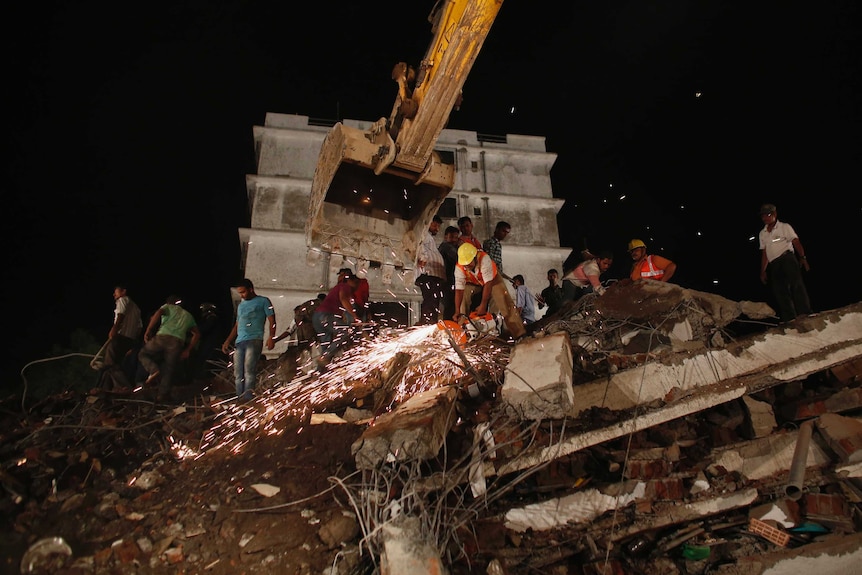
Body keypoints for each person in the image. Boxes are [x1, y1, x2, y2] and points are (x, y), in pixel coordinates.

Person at [453, 243, 525, 339]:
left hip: (492, 280)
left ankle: (519, 334)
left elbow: (488, 284)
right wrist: (457, 311)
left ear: (475, 257)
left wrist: (483, 305)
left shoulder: (484, 259)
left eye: (469, 263)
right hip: (473, 282)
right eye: (465, 264)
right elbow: (459, 290)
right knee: (464, 296)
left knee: (504, 300)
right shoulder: (459, 267)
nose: (467, 266)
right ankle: (463, 331)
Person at [221, 279, 276, 401]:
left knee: (249, 369)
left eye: (243, 292)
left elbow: (272, 320)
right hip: (240, 341)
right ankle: (239, 397)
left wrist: (271, 336)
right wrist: (228, 341)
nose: (242, 295)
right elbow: (237, 325)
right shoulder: (241, 305)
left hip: (255, 339)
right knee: (238, 372)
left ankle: (248, 398)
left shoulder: (263, 301)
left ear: (251, 289)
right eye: (240, 293)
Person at [139, 295, 201, 402]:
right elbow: (197, 334)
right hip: (177, 342)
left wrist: (149, 329)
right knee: (169, 368)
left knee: (143, 353)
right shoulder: (188, 316)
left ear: (169, 302)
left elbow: (158, 313)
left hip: (163, 336)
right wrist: (188, 350)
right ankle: (162, 396)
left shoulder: (168, 307)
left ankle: (153, 370)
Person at [758, 203, 812, 323]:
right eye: (763, 216)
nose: (765, 218)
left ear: (774, 214)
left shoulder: (784, 227)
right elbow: (764, 253)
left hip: (787, 258)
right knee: (780, 291)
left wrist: (803, 257)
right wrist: (763, 271)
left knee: (796, 284)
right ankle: (790, 318)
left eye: (768, 215)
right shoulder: (762, 233)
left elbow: (796, 242)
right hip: (774, 264)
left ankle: (805, 312)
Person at [312, 272, 361, 370]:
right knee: (346, 331)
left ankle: (320, 372)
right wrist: (355, 316)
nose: (357, 286)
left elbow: (340, 305)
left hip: (317, 318)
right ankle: (325, 357)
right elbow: (344, 300)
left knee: (326, 344)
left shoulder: (337, 288)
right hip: (325, 316)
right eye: (356, 283)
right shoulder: (345, 286)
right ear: (350, 281)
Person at [99, 284, 142, 393]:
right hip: (130, 339)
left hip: (120, 337)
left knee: (110, 363)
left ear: (123, 292)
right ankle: (105, 388)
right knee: (114, 364)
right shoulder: (136, 308)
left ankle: (124, 387)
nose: (114, 294)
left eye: (116, 292)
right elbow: (139, 327)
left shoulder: (123, 300)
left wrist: (114, 329)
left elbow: (120, 315)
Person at [415, 215, 447, 325]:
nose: (437, 228)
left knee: (433, 301)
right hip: (428, 274)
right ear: (428, 222)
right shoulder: (423, 233)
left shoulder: (429, 237)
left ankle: (430, 323)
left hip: (434, 275)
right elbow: (418, 244)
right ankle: (427, 324)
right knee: (430, 301)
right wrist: (422, 257)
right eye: (434, 224)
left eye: (438, 226)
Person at [438, 225, 461, 321]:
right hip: (447, 282)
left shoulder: (450, 247)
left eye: (456, 237)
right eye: (452, 237)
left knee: (451, 306)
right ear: (445, 237)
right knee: (449, 306)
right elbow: (457, 258)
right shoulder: (446, 247)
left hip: (450, 281)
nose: (454, 240)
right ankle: (449, 327)